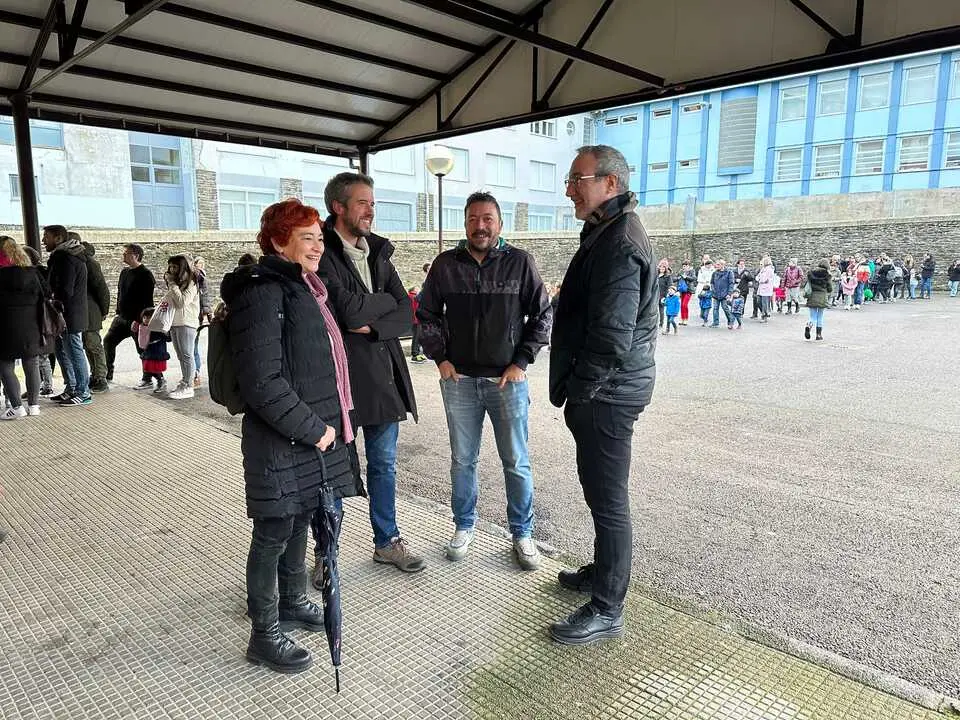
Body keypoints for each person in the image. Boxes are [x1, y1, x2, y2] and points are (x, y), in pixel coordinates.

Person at [220, 198, 364, 674]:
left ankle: (292, 601)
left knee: (301, 519)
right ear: (278, 241)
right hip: (281, 441)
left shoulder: (305, 287)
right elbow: (262, 382)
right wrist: (314, 429)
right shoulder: (262, 292)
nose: (318, 246)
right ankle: (263, 634)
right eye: (307, 238)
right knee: (273, 534)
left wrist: (324, 428)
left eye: (320, 238)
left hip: (309, 439)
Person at [549, 145, 657, 645]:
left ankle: (608, 608)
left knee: (609, 500)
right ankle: (603, 573)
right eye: (570, 180)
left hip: (608, 394)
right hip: (607, 390)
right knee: (599, 493)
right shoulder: (608, 230)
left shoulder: (618, 241)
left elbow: (612, 338)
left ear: (610, 183)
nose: (570, 190)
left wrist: (581, 391)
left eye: (578, 179)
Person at [418, 191, 551, 571]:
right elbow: (426, 314)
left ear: (499, 224)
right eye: (473, 219)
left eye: (487, 219)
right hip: (459, 381)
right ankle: (463, 525)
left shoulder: (520, 262)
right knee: (463, 461)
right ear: (465, 223)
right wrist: (440, 358)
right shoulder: (446, 265)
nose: (480, 226)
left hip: (506, 382)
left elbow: (543, 315)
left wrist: (521, 361)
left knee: (516, 461)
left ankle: (522, 533)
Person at [316, 172, 424, 575]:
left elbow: (406, 312)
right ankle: (326, 554)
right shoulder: (321, 251)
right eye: (363, 202)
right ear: (338, 207)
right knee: (333, 471)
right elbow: (346, 312)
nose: (370, 210)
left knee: (384, 465)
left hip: (382, 378)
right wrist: (380, 307)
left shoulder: (378, 252)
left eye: (373, 203)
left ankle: (387, 542)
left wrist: (373, 324)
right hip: (338, 381)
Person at [42, 224, 91, 406]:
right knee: (63, 352)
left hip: (69, 314)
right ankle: (72, 387)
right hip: (67, 313)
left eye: (46, 237)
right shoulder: (65, 257)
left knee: (74, 352)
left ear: (58, 238)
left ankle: (83, 392)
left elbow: (65, 289)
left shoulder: (66, 258)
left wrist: (52, 296)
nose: (43, 241)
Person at [0, 237, 47, 419]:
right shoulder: (33, 273)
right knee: (31, 363)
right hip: (31, 324)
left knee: (5, 366)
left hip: (5, 325)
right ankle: (34, 406)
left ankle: (17, 407)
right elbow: (46, 294)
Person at [104, 244, 155, 383]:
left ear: (136, 256)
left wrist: (140, 320)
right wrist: (118, 312)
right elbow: (120, 293)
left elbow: (147, 301)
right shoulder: (124, 272)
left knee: (142, 349)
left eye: (126, 253)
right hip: (121, 318)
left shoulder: (146, 275)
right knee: (108, 341)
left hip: (137, 320)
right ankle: (107, 373)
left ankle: (148, 378)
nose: (123, 255)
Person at [162, 255, 200, 399]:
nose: (172, 269)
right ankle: (184, 382)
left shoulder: (191, 282)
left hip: (187, 322)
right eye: (170, 266)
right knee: (181, 355)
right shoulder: (176, 282)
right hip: (175, 322)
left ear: (182, 267)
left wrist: (172, 284)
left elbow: (182, 302)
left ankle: (188, 386)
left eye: (175, 266)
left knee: (187, 355)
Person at [77, 237, 110, 393]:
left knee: (93, 345)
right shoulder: (83, 261)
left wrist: (104, 310)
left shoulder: (89, 263)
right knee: (87, 345)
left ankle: (101, 378)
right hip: (85, 310)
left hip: (91, 310)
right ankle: (95, 375)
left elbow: (101, 288)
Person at [132, 307, 169, 393]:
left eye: (149, 318)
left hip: (157, 352)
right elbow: (139, 337)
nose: (146, 320)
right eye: (144, 317)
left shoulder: (158, 327)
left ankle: (161, 381)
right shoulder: (142, 327)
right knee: (148, 367)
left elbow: (167, 338)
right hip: (148, 352)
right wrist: (135, 329)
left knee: (154, 368)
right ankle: (149, 381)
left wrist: (164, 333)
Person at [192, 256, 213, 388]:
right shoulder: (196, 277)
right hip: (195, 314)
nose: (201, 265)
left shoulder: (201, 278)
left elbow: (205, 297)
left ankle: (196, 373)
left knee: (193, 346)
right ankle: (194, 373)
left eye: (202, 263)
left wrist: (206, 312)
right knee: (191, 346)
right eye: (199, 263)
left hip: (197, 315)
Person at [804, 259, 833, 341]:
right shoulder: (827, 275)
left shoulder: (811, 273)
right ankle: (818, 335)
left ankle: (808, 325)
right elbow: (830, 288)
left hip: (812, 296)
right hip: (822, 297)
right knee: (820, 316)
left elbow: (807, 284)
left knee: (812, 317)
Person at [709, 259, 735, 329]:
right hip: (716, 294)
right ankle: (715, 323)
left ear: (722, 265)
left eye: (718, 264)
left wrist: (729, 293)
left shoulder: (729, 273)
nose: (716, 266)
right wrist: (713, 290)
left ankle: (730, 321)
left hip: (725, 294)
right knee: (715, 308)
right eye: (716, 264)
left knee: (725, 308)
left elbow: (731, 284)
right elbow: (712, 282)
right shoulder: (714, 273)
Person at [408, 286, 426, 363]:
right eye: (417, 288)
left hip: (417, 320)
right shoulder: (412, 296)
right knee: (416, 337)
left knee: (418, 337)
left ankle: (418, 353)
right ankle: (415, 355)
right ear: (413, 290)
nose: (418, 289)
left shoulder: (413, 296)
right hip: (416, 320)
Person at [755, 256, 775, 321]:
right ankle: (765, 313)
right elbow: (757, 277)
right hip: (761, 288)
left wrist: (760, 280)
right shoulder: (763, 269)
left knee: (764, 303)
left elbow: (765, 279)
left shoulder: (770, 269)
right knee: (758, 301)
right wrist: (759, 279)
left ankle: (764, 315)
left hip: (766, 289)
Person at [677, 260, 696, 325]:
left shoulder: (692, 271)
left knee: (684, 305)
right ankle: (682, 319)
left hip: (688, 290)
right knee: (682, 305)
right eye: (683, 266)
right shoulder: (681, 271)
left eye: (685, 266)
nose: (684, 267)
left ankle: (686, 319)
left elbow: (693, 278)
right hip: (682, 290)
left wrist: (686, 277)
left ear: (688, 266)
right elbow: (676, 279)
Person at [655, 259, 672, 329]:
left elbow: (670, 286)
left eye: (663, 267)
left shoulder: (668, 276)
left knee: (661, 310)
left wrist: (666, 296)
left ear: (666, 268)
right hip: (654, 295)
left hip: (662, 295)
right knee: (653, 310)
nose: (662, 268)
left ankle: (661, 323)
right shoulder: (656, 275)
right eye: (661, 266)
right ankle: (653, 323)